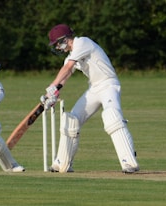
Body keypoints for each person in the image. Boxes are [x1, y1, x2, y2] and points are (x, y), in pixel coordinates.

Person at [41, 24, 139, 173]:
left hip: (109, 84)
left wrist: (52, 86)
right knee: (72, 119)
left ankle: (129, 162)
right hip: (94, 88)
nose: (58, 48)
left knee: (112, 118)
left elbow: (67, 68)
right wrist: (54, 93)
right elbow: (65, 76)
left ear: (65, 40)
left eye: (57, 44)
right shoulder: (71, 55)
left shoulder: (82, 42)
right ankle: (62, 164)